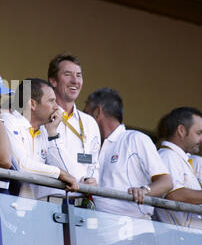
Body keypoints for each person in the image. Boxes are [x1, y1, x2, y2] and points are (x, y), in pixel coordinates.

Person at [83, 87, 172, 219]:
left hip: (134, 233)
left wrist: (144, 190)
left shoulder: (134, 139)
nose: (84, 121)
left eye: (86, 114)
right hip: (99, 231)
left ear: (97, 112)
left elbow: (166, 182)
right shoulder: (93, 145)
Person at [1, 78, 79, 199]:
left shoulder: (45, 130)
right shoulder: (8, 121)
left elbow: (70, 174)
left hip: (35, 210)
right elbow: (23, 166)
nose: (57, 107)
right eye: (51, 101)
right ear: (32, 104)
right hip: (7, 207)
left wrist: (53, 133)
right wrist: (59, 173)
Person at [47, 54, 100, 200]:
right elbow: (47, 158)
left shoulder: (89, 122)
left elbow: (95, 163)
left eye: (79, 75)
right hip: (51, 200)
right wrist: (77, 180)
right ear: (53, 81)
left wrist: (92, 180)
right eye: (67, 74)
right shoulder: (43, 114)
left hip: (81, 202)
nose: (75, 81)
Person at [155, 107, 202, 229]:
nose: (201, 139)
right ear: (181, 130)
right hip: (176, 239)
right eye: (198, 133)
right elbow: (174, 194)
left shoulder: (180, 158)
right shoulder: (167, 155)